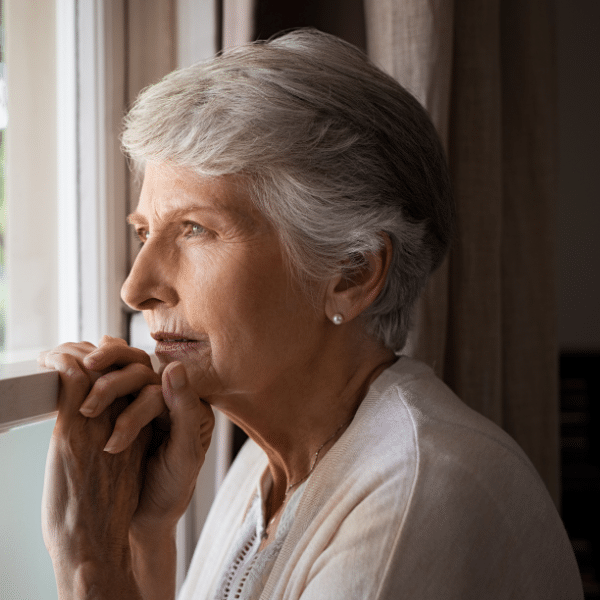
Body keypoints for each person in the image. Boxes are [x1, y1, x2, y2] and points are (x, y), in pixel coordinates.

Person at [38, 29, 583, 600]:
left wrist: (91, 565)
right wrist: (146, 535)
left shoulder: (417, 493)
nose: (136, 288)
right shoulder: (262, 468)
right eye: (145, 233)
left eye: (195, 230)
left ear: (351, 273)